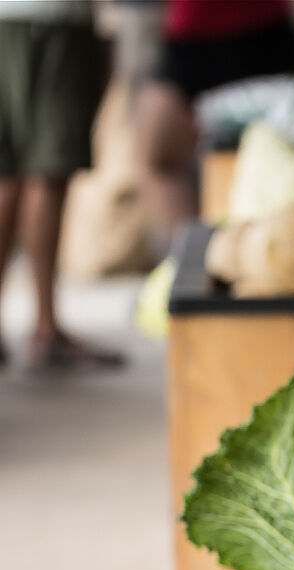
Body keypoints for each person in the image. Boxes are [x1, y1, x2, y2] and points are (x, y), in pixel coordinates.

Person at [0, 1, 123, 371]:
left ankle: (44, 327)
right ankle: (46, 329)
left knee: (10, 172)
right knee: (47, 170)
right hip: (48, 18)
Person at [135, 0, 294, 238]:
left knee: (265, 161)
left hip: (257, 35)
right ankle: (196, 259)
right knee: (158, 159)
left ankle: (219, 258)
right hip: (192, 37)